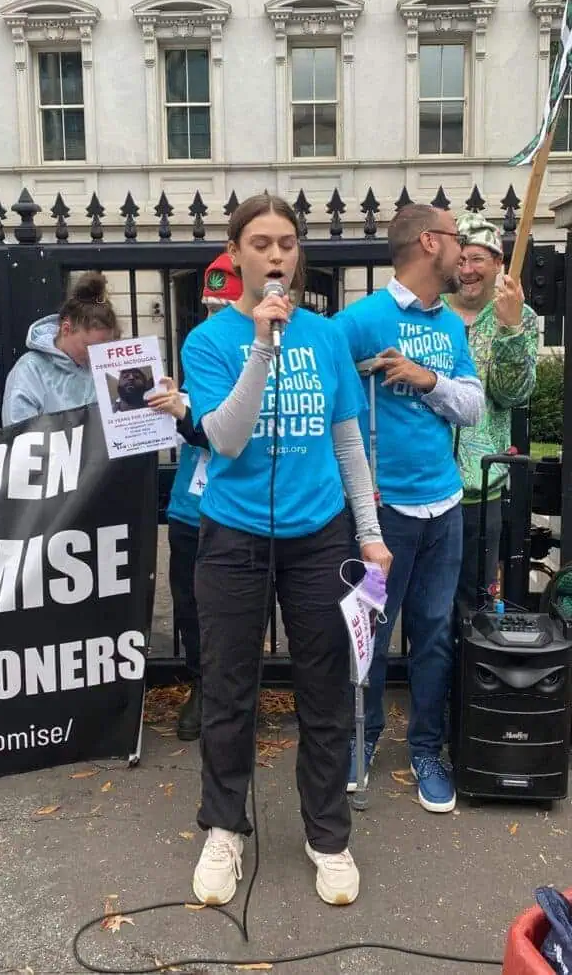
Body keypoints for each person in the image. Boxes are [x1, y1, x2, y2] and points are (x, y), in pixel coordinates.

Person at [180, 193, 392, 907]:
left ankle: (327, 835)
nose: (276, 255)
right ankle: (224, 828)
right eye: (261, 243)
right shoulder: (208, 341)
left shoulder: (327, 337)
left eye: (287, 243)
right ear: (236, 253)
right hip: (234, 535)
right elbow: (226, 437)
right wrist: (263, 346)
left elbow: (348, 443)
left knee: (324, 691)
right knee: (228, 689)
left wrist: (370, 533)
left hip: (319, 535)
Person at [333, 204, 484, 814]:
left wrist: (427, 380)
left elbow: (472, 407)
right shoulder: (361, 320)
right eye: (456, 238)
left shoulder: (450, 326)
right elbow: (328, 398)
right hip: (383, 515)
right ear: (429, 242)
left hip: (444, 507)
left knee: (435, 634)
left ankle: (425, 749)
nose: (463, 252)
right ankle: (363, 735)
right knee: (368, 631)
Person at [147, 252, 244, 742]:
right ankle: (203, 684)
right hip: (191, 505)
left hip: (236, 506)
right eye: (207, 308)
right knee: (189, 603)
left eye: (221, 309)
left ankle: (234, 690)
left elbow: (225, 432)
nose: (211, 319)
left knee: (238, 606)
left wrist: (185, 414)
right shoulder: (201, 355)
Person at [448, 212, 539, 616]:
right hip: (426, 485)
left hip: (481, 489)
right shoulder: (431, 313)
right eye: (459, 259)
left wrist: (510, 329)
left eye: (477, 259)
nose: (467, 270)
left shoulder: (522, 317)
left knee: (475, 605)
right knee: (425, 604)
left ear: (499, 262)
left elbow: (513, 394)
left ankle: (469, 661)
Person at [2, 272, 118, 426]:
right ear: (66, 329)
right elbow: (19, 432)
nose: (95, 356)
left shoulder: (107, 367)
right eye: (89, 347)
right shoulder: (30, 370)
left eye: (103, 348)